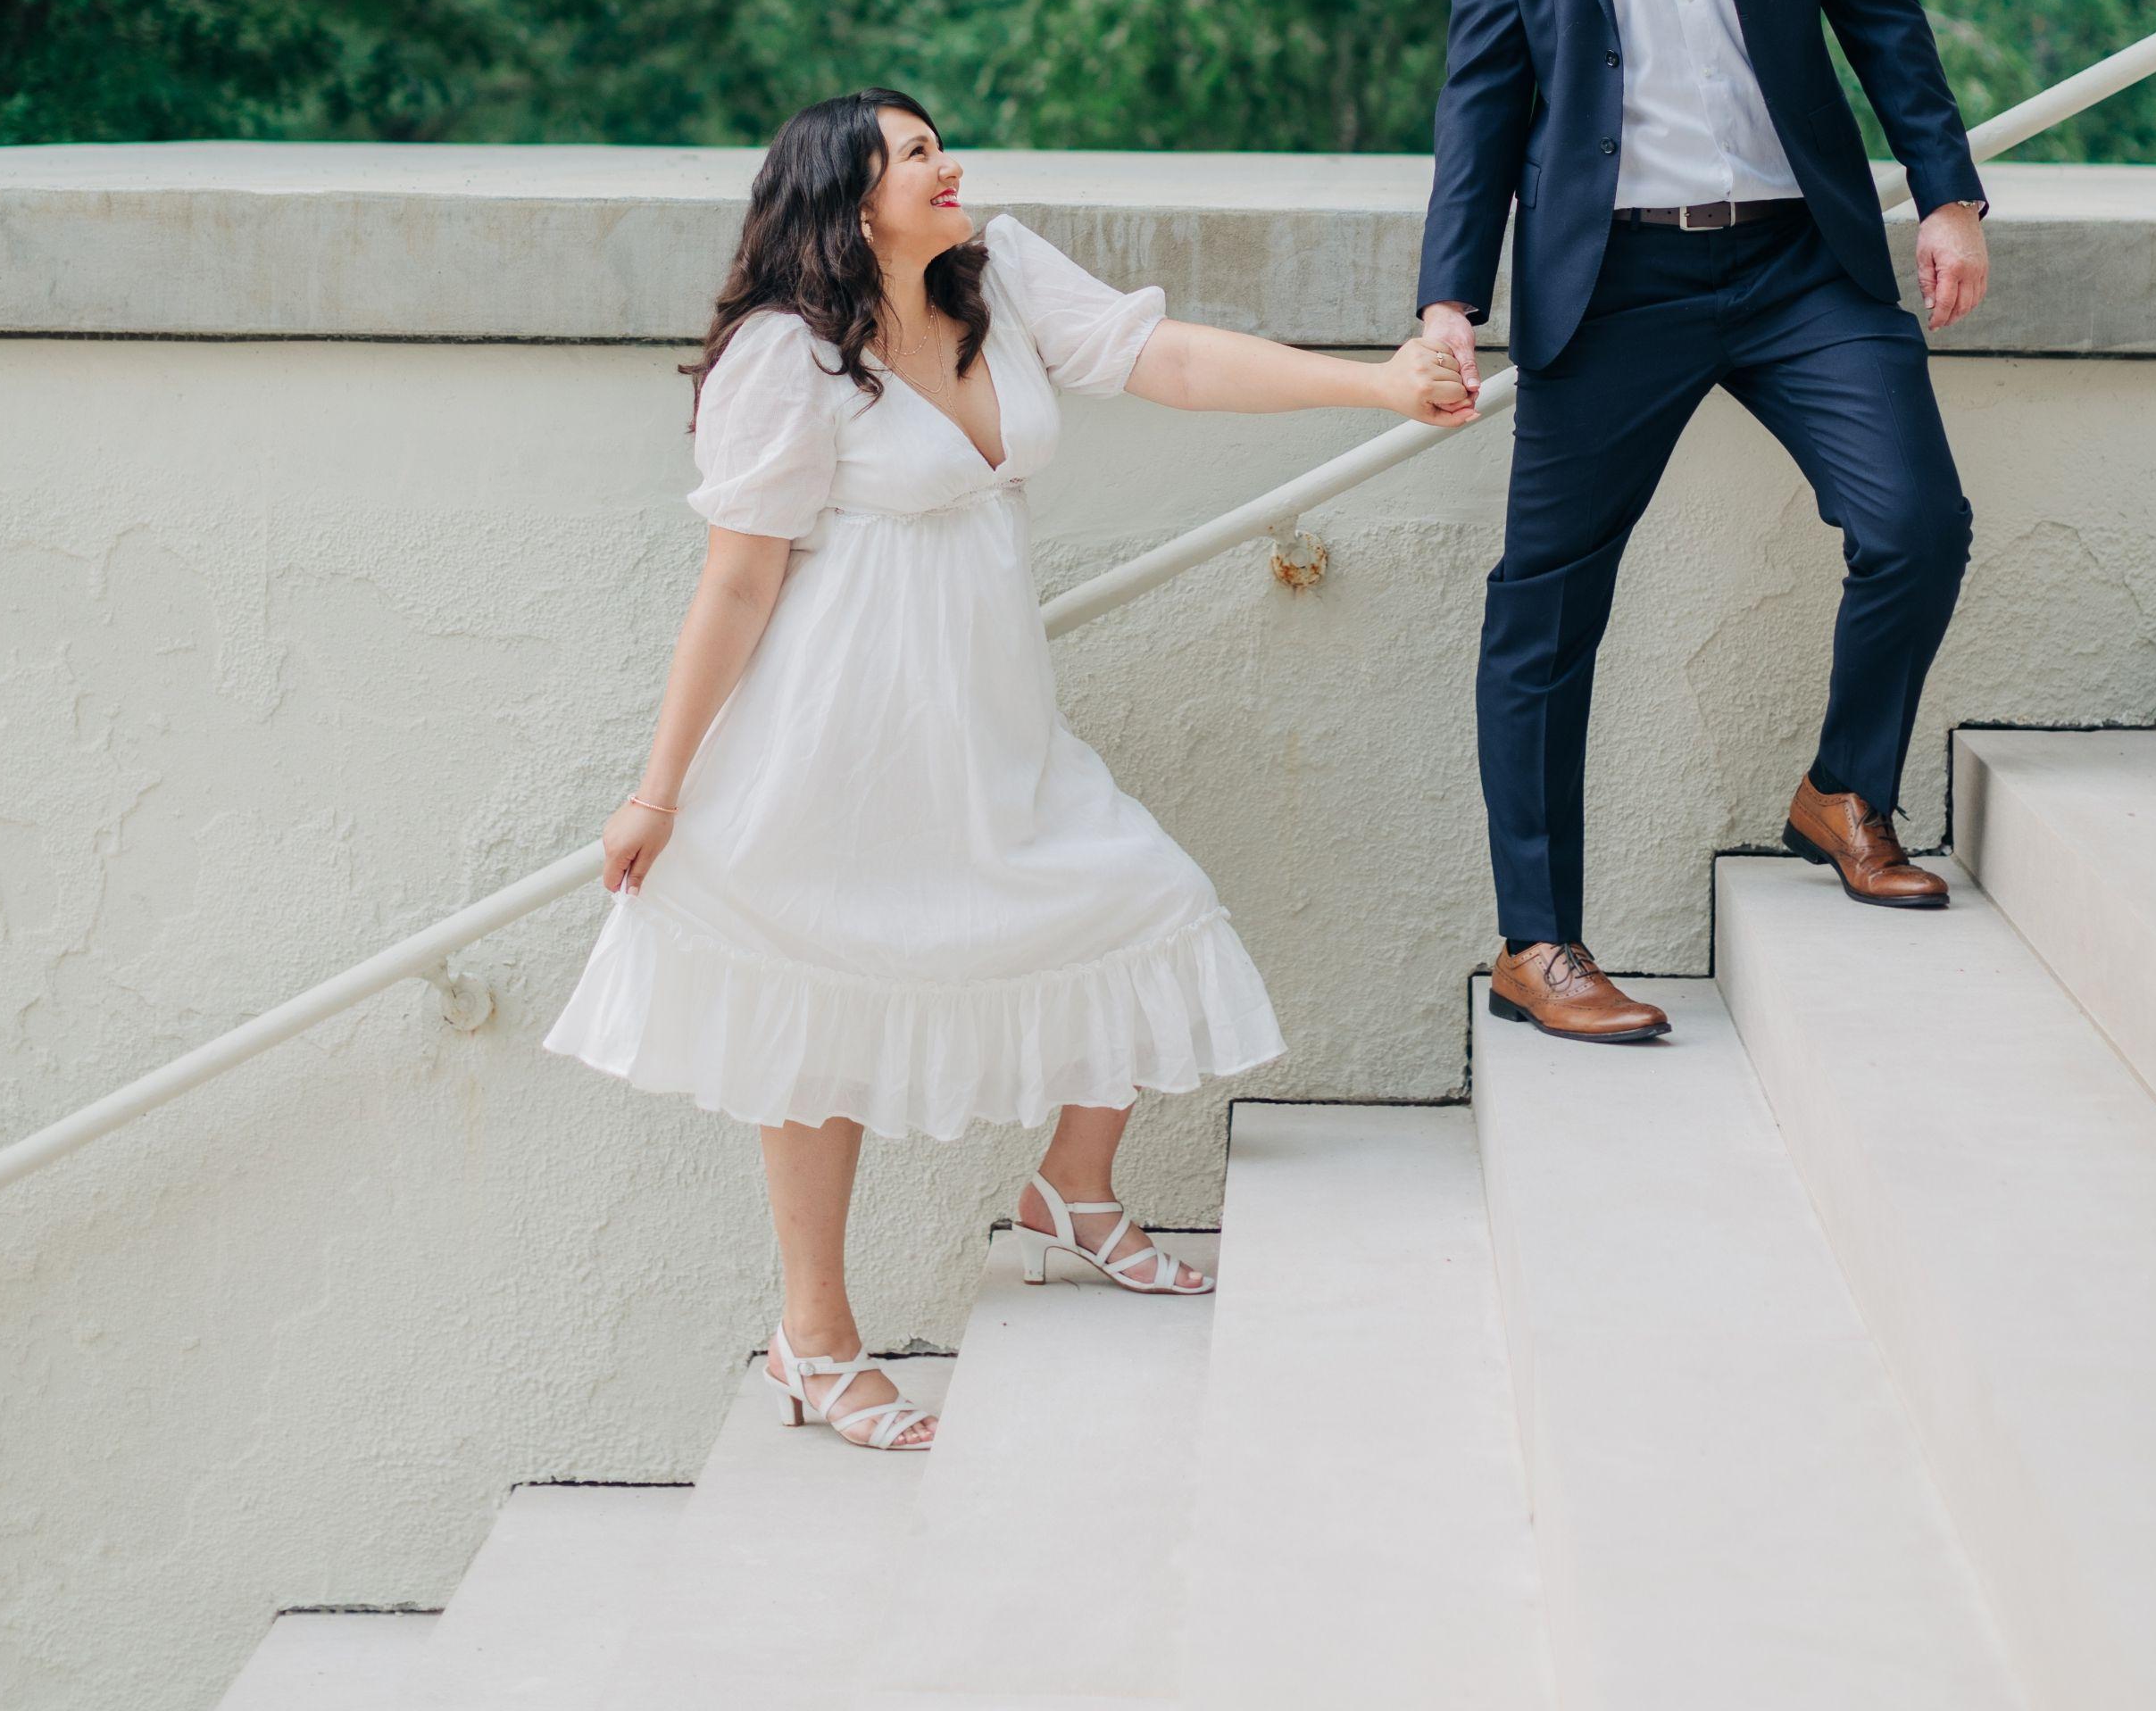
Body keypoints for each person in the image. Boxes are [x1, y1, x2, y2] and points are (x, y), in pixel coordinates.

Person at [550, 87, 1476, 1450]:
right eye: (919, 153)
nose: (951, 166)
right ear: (847, 193)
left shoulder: (1001, 275)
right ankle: (814, 1341)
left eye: (941, 146)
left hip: (990, 725)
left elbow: (1167, 361)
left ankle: (1071, 1194)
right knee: (823, 1028)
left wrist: (1375, 386)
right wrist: (658, 790)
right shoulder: (786, 354)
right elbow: (737, 588)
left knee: (1143, 901)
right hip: (839, 740)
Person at [1415, 0, 1993, 1047]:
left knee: (1917, 523)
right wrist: (1449, 300)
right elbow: (1482, 102)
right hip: (1615, 281)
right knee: (1542, 612)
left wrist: (1947, 190)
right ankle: (1537, 945)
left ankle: (1845, 790)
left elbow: (1878, 4)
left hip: (1799, 256)